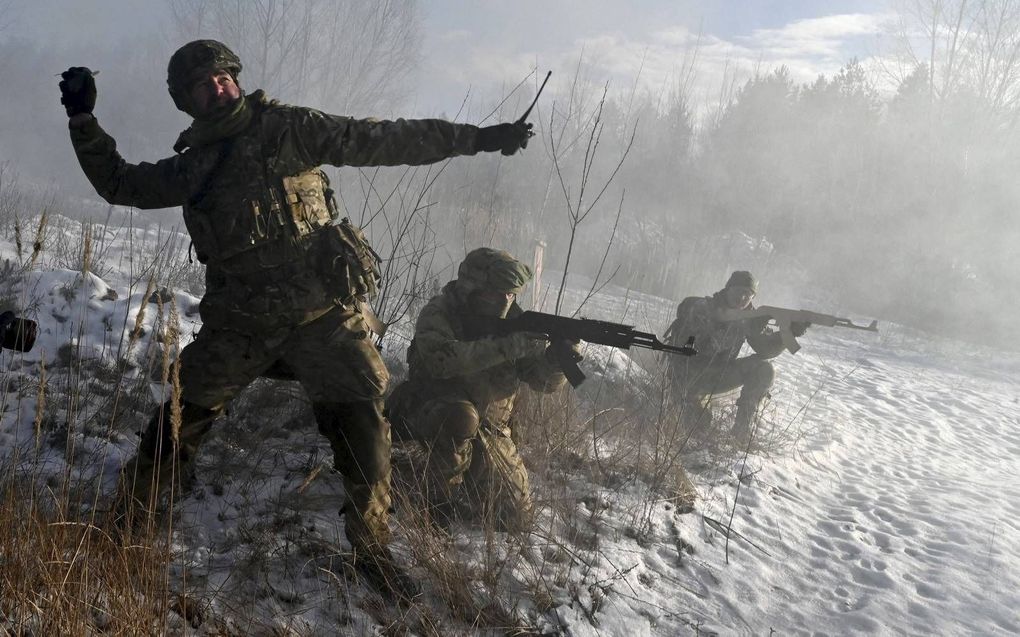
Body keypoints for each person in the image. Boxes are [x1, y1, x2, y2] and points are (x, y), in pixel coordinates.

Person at [58, 40, 533, 595]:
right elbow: (121, 184)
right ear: (187, 102)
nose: (217, 89)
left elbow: (383, 140)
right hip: (241, 324)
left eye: (222, 78)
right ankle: (127, 523)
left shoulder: (289, 129)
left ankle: (371, 547)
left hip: (322, 318)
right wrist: (83, 119)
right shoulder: (194, 167)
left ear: (235, 79)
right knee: (178, 418)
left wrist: (478, 139)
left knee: (364, 427)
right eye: (202, 86)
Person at [386, 248, 577, 532]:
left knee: (514, 517)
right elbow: (440, 362)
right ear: (470, 289)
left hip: (489, 426)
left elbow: (542, 381)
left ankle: (462, 472)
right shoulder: (440, 312)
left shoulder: (518, 322)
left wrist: (560, 359)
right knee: (460, 417)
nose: (504, 302)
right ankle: (436, 507)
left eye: (510, 295)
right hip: (428, 408)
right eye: (495, 294)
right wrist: (506, 347)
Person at [663, 271, 809, 445]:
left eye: (748, 294)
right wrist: (737, 325)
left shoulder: (749, 318)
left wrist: (788, 334)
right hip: (686, 376)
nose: (742, 297)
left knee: (763, 369)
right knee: (697, 427)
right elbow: (694, 347)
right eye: (738, 291)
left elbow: (765, 351)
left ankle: (741, 435)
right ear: (727, 289)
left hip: (717, 375)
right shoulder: (704, 308)